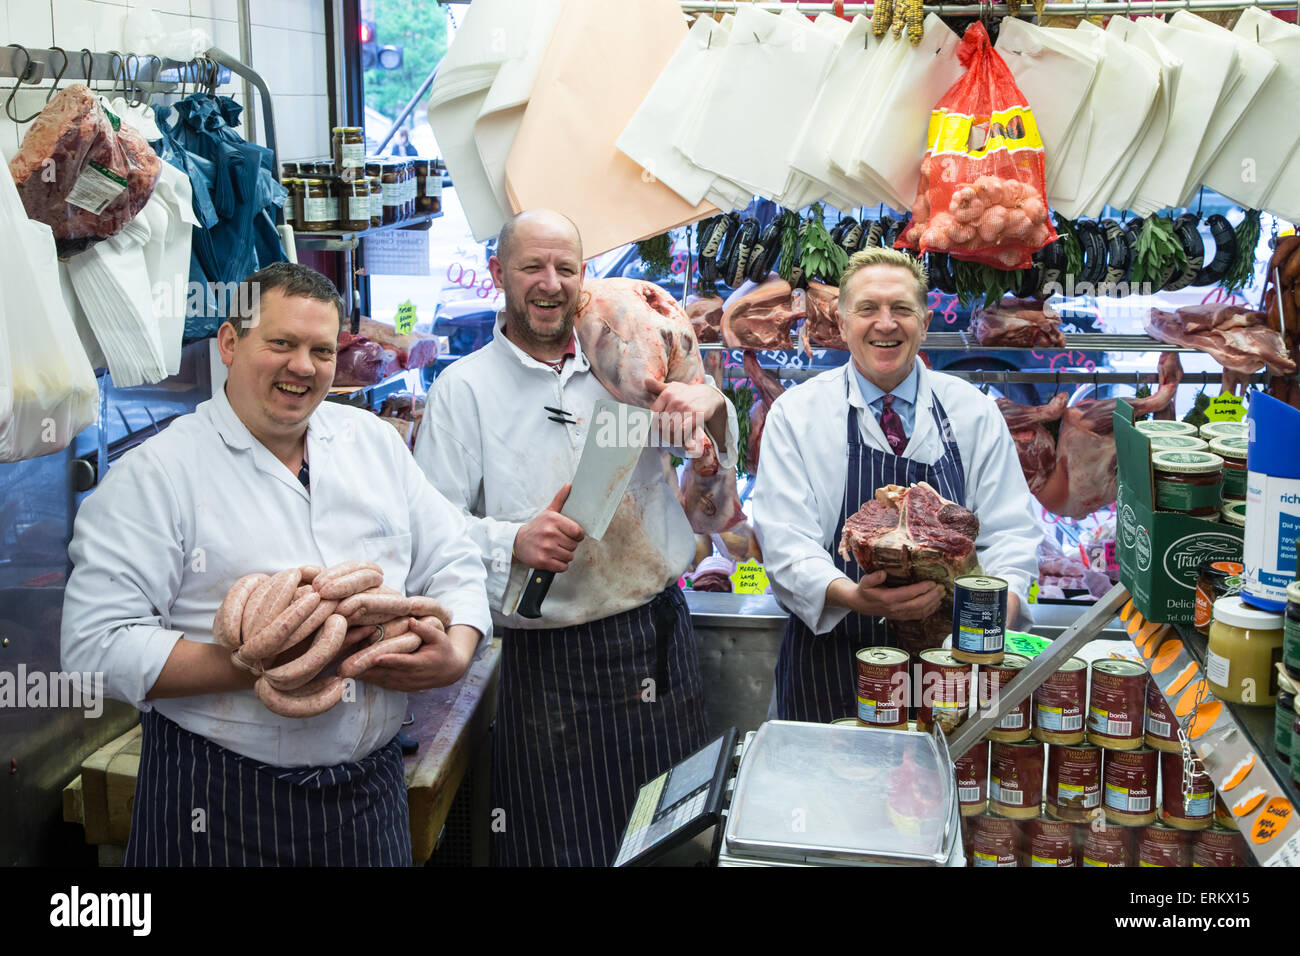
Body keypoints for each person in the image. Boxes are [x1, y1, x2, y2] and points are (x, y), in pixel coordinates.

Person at [61, 262, 491, 866]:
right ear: (230, 344)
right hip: (216, 801)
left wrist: (460, 646)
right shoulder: (156, 474)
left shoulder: (371, 442)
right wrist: (274, 662)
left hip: (371, 797)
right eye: (281, 344)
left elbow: (453, 557)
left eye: (321, 349)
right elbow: (94, 646)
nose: (303, 367)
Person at [413, 209, 739, 867]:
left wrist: (709, 430)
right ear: (497, 274)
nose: (550, 282)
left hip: (657, 638)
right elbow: (429, 535)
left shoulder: (628, 369)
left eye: (565, 267)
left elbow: (710, 502)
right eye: (532, 265)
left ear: (584, 275)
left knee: (667, 839)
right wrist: (513, 540)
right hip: (551, 664)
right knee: (563, 848)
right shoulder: (464, 390)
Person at [751, 247, 1041, 722]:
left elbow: (1011, 534)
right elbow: (784, 541)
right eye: (867, 309)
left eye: (902, 309)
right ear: (842, 324)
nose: (885, 323)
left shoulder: (973, 410)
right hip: (833, 664)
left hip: (953, 667)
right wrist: (853, 596)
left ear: (925, 323)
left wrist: (981, 635)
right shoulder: (797, 414)